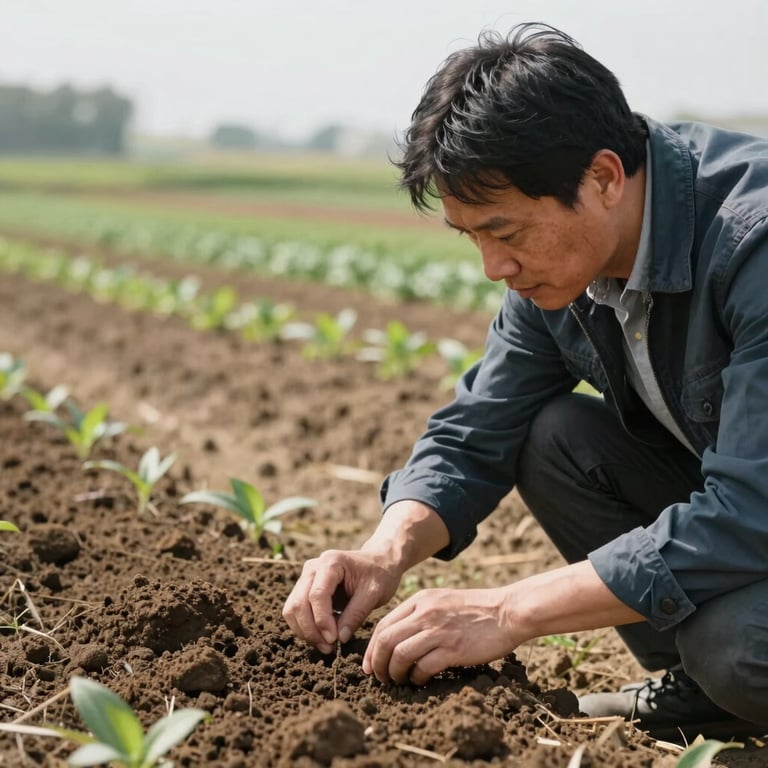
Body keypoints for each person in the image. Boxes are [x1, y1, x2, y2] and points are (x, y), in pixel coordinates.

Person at [283, 22, 768, 739]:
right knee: (554, 436)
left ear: (604, 178)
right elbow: (480, 429)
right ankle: (700, 698)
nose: (492, 268)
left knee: (739, 651)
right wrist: (383, 552)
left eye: (505, 233)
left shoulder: (751, 243)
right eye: (471, 236)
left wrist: (508, 611)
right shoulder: (566, 272)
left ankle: (718, 679)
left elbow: (750, 511)